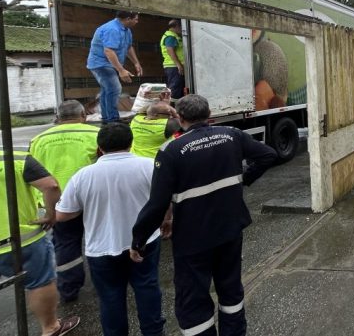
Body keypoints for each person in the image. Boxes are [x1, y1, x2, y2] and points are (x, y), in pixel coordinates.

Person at [131, 94, 278, 336]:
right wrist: (245, 178)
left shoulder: (171, 150)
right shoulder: (232, 135)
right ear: (209, 114)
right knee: (230, 287)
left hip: (193, 237)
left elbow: (157, 204)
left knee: (193, 298)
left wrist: (139, 239)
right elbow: (268, 155)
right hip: (230, 228)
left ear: (179, 117)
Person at [55, 123, 166, 336]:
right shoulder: (149, 166)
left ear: (99, 147)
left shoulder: (83, 176)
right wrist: (166, 219)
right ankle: (153, 332)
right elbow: (164, 200)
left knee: (110, 297)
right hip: (145, 242)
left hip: (101, 248)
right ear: (131, 142)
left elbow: (63, 214)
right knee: (147, 288)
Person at [0, 122, 80, 336]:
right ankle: (50, 327)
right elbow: (51, 185)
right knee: (40, 282)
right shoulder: (15, 158)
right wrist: (50, 215)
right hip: (20, 239)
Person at [28, 101, 100, 303]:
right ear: (83, 116)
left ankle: (69, 289)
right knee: (100, 239)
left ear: (57, 118)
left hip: (57, 202)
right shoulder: (94, 134)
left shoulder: (38, 140)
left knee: (66, 244)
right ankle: (105, 281)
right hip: (90, 199)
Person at [86, 10, 142, 124]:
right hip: (100, 64)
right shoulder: (112, 29)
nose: (137, 21)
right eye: (136, 19)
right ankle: (113, 119)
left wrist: (136, 63)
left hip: (109, 64)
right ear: (127, 19)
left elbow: (129, 47)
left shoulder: (126, 30)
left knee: (107, 89)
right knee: (114, 88)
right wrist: (121, 70)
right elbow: (108, 50)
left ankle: (107, 118)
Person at [161, 19, 186, 99]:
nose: (181, 29)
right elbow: (170, 50)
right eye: (180, 27)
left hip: (174, 66)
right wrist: (179, 65)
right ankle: (172, 109)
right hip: (174, 67)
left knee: (177, 88)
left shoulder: (173, 36)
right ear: (176, 26)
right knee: (175, 90)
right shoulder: (170, 36)